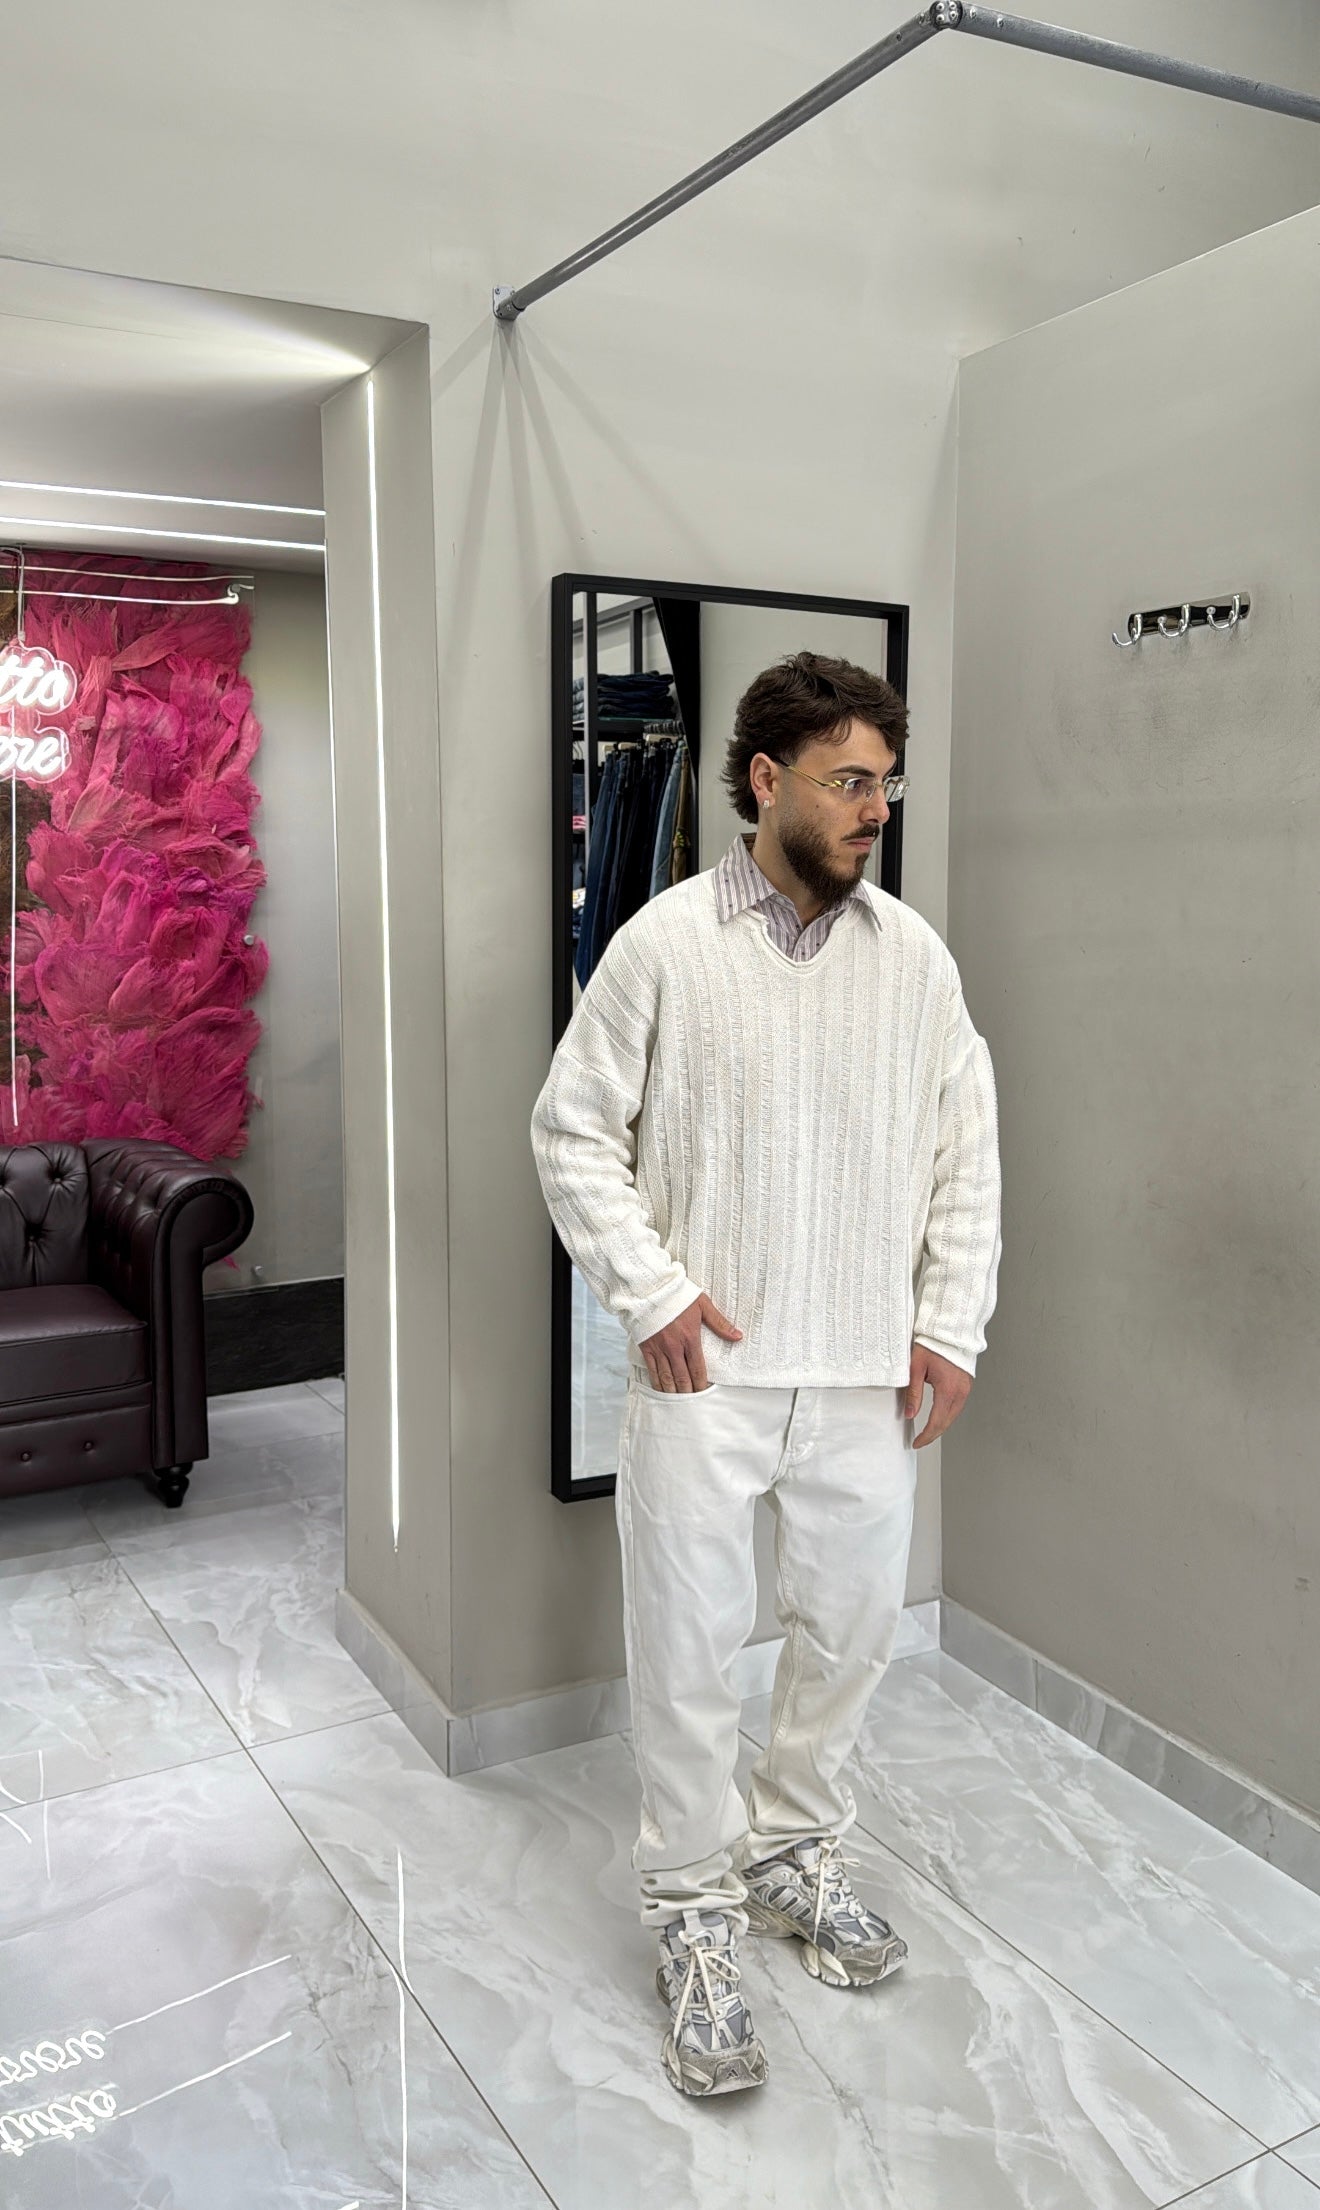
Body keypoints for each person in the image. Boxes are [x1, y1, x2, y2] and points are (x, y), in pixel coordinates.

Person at [530, 649, 1002, 2098]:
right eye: (850, 780)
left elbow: (967, 1152)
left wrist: (951, 1323)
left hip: (863, 1371)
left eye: (886, 784)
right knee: (687, 1655)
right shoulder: (665, 945)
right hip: (707, 1379)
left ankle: (796, 1853)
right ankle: (694, 1911)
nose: (874, 809)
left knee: (850, 1634)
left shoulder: (913, 959)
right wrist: (653, 1291)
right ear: (764, 779)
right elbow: (570, 1130)